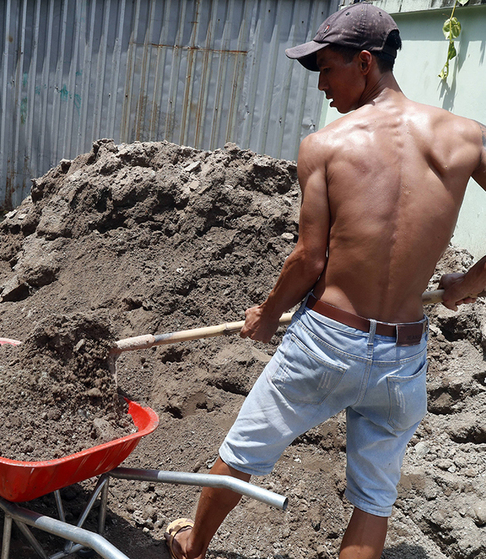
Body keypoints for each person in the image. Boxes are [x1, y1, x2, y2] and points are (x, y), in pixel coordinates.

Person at [165, 3, 486, 559]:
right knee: (373, 502)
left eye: (327, 68)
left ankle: (192, 546)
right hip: (402, 356)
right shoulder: (466, 138)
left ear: (365, 62)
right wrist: (470, 284)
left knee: (242, 450)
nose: (321, 86)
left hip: (327, 343)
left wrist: (267, 316)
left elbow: (309, 260)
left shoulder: (327, 146)